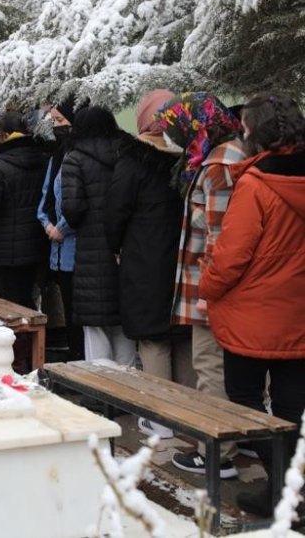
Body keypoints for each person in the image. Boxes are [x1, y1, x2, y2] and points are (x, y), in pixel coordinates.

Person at [199, 94, 305, 518]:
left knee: (243, 397)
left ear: (255, 131)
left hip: (252, 313)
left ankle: (284, 484)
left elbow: (231, 257)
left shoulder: (256, 184)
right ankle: (287, 486)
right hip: (298, 311)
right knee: (291, 405)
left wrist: (207, 285)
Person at [158, 92, 244, 480]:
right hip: (218, 287)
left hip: (213, 290)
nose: (172, 138)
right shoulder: (221, 157)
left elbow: (219, 237)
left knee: (210, 366)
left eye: (175, 129)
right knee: (225, 369)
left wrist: (209, 291)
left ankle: (217, 453)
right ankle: (234, 441)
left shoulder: (219, 166)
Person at [105, 89, 193, 438]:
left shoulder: (133, 162)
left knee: (154, 339)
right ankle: (193, 416)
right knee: (185, 336)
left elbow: (114, 213)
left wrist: (116, 247)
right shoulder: (192, 158)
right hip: (187, 260)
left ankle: (161, 418)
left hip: (146, 260)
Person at [60, 106, 136, 366]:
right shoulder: (128, 152)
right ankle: (127, 380)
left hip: (91, 251)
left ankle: (100, 383)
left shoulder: (75, 158)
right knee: (123, 322)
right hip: (127, 245)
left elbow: (72, 208)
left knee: (95, 326)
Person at [36, 97, 85, 361]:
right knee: (68, 306)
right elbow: (46, 194)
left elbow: (78, 199)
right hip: (56, 246)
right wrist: (46, 221)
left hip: (75, 246)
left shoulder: (79, 155)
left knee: (78, 312)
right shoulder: (57, 154)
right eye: (54, 120)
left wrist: (62, 227)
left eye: (60, 120)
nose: (56, 126)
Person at [0, 111, 49, 310]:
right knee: (28, 296)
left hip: (6, 247)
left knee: (11, 300)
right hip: (37, 241)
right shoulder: (42, 159)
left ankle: (21, 332)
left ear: (4, 135)